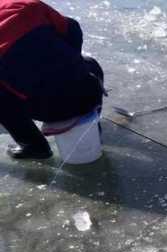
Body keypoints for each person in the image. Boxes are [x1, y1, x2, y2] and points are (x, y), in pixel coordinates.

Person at [0, 0, 104, 159]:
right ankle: (93, 126)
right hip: (89, 92)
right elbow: (73, 29)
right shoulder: (24, 4)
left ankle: (34, 146)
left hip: (47, 111)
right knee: (89, 62)